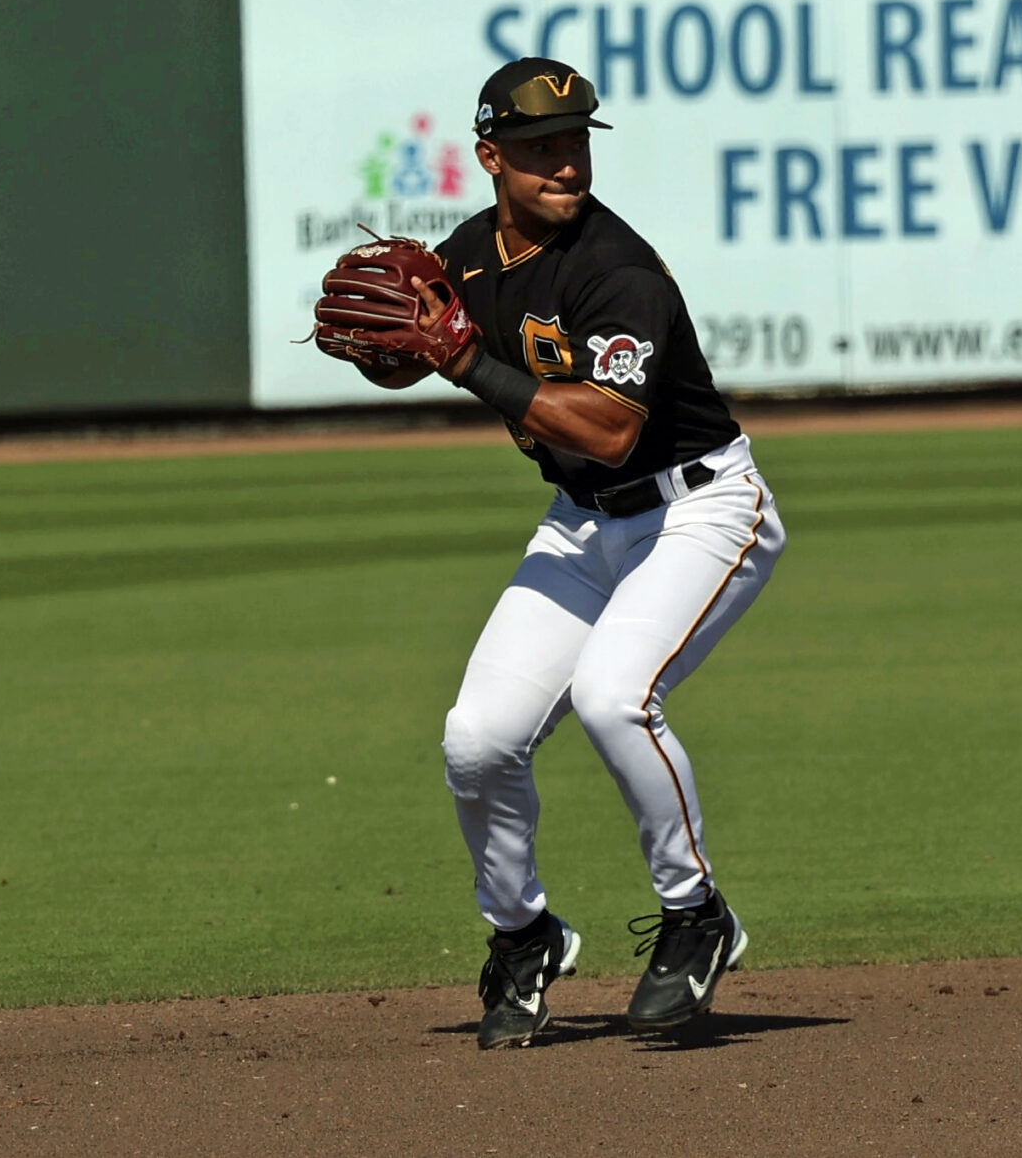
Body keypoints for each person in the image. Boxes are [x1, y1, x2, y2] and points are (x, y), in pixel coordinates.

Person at [332, 58, 786, 1049]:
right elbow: (410, 344)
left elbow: (610, 431)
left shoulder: (614, 268)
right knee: (476, 736)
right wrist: (389, 349)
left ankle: (694, 909)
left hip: (698, 509)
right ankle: (522, 932)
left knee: (613, 691)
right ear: (489, 157)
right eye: (539, 148)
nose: (563, 162)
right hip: (582, 523)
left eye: (575, 141)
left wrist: (464, 361)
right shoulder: (469, 255)